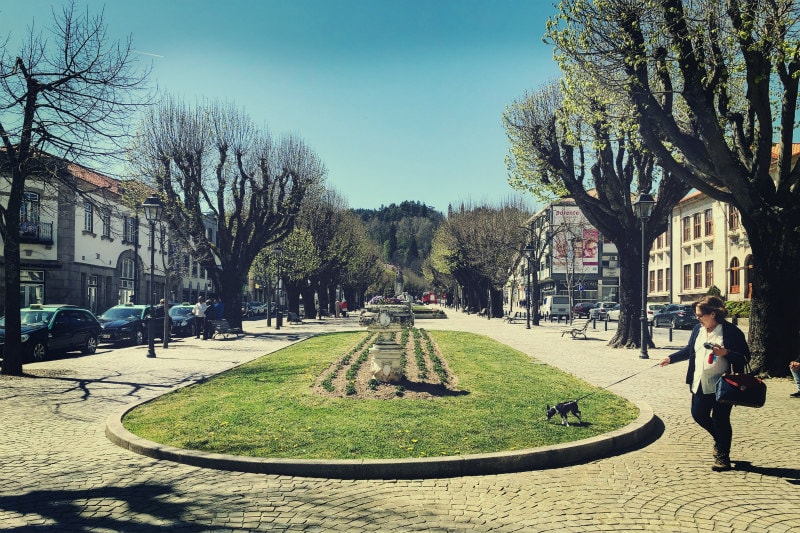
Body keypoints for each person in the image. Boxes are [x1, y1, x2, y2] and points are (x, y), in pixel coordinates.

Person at [659, 295, 750, 471]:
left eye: (700, 315)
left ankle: (723, 456)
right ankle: (720, 439)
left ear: (713, 314)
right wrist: (670, 358)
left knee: (720, 419)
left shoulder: (731, 332)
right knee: (698, 415)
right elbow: (689, 350)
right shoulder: (697, 330)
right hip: (699, 381)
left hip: (723, 384)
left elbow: (745, 358)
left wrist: (726, 353)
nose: (697, 318)